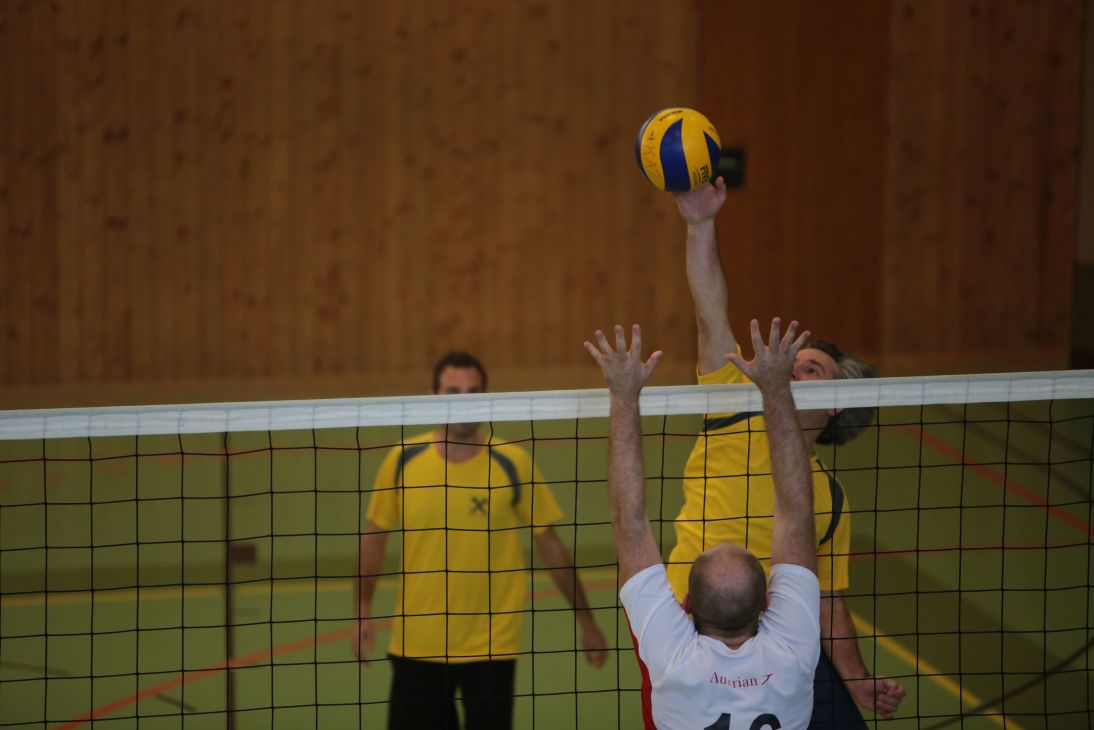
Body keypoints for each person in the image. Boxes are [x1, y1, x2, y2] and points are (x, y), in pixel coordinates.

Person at [667, 178, 905, 726]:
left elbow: (827, 601)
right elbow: (709, 312)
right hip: (692, 622)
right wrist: (700, 224)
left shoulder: (830, 498)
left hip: (775, 638)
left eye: (811, 370)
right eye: (792, 363)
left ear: (836, 404)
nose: (794, 371)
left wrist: (859, 679)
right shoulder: (732, 405)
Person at [585, 318, 822, 729]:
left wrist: (623, 395)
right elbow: (797, 515)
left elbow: (629, 521)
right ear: (767, 604)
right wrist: (777, 390)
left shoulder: (676, 660)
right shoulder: (792, 653)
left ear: (687, 606)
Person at [352, 351, 608, 729]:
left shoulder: (512, 462)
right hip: (416, 645)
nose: (463, 400)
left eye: (473, 392)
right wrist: (362, 610)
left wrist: (586, 621)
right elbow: (374, 539)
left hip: (492, 649)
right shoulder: (402, 461)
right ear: (433, 397)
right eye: (452, 391)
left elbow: (550, 546)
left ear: (487, 397)